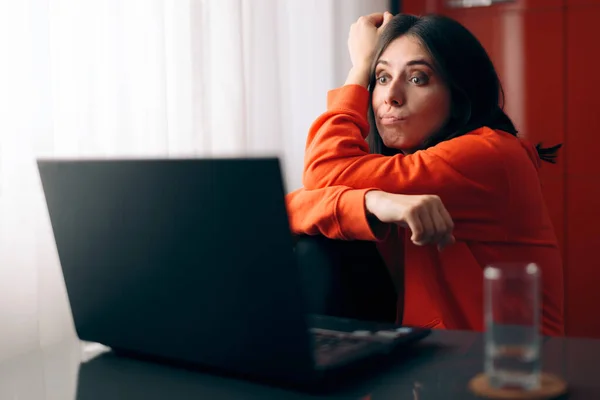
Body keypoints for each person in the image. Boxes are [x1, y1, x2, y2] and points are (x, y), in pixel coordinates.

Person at [286, 12, 564, 336]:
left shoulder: (488, 155)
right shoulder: (408, 170)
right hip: (435, 364)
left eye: (418, 78)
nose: (390, 96)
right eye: (382, 78)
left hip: (505, 372)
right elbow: (292, 207)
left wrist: (359, 68)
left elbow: (322, 170)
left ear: (458, 97)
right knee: (319, 246)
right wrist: (374, 201)